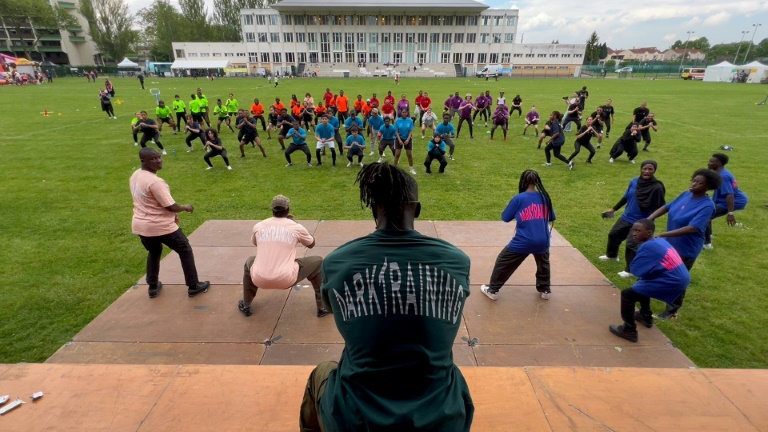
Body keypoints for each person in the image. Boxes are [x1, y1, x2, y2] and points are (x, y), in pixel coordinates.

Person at [300, 163, 474, 432]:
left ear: (373, 210)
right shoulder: (457, 261)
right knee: (451, 372)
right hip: (442, 417)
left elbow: (338, 311)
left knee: (321, 372)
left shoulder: (337, 262)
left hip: (355, 418)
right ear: (416, 209)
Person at [129, 148, 210, 298]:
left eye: (159, 157)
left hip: (141, 225)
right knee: (185, 250)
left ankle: (153, 287)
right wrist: (186, 207)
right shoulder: (155, 182)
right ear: (143, 161)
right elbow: (170, 206)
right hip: (160, 225)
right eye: (153, 159)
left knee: (154, 251)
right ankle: (193, 285)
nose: (159, 161)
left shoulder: (136, 175)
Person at [240, 195, 329, 318]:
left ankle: (246, 305)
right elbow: (311, 244)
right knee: (318, 261)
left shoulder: (259, 226)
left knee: (249, 261)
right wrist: (293, 224)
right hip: (285, 279)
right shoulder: (295, 227)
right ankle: (322, 307)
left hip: (259, 278)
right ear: (287, 210)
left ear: (272, 210)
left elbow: (256, 243)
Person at [648, 169, 720, 319]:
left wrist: (661, 234)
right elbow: (667, 207)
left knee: (677, 278)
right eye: (694, 181)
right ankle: (650, 294)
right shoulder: (686, 195)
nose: (694, 184)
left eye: (700, 183)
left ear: (708, 187)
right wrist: (650, 218)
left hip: (686, 248)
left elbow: (692, 228)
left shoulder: (707, 206)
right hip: (671, 244)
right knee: (659, 270)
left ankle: (672, 310)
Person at [608, 219, 690, 343]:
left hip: (673, 280)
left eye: (638, 231)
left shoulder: (647, 246)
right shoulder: (659, 241)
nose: (634, 234)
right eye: (633, 231)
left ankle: (629, 330)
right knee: (642, 284)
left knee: (627, 294)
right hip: (681, 276)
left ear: (649, 232)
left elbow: (635, 269)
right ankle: (645, 316)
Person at [481, 170, 556, 301]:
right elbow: (552, 217)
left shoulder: (519, 199)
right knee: (543, 264)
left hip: (524, 241)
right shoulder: (545, 197)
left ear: (523, 181)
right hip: (543, 240)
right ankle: (545, 290)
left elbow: (505, 218)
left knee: (503, 261)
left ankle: (492, 290)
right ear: (538, 182)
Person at [599, 161, 666, 277]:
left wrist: (648, 221)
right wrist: (614, 209)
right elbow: (626, 197)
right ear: (641, 169)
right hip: (627, 217)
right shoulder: (634, 181)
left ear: (654, 170)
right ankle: (612, 256)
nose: (647, 171)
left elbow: (661, 207)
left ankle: (630, 271)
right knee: (613, 234)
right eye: (644, 168)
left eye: (650, 169)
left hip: (641, 222)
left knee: (632, 245)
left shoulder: (657, 187)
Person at [704, 153, 748, 249]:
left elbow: (730, 195)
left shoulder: (723, 176)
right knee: (706, 209)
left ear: (719, 164)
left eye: (712, 162)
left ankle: (707, 244)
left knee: (704, 213)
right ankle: (709, 235)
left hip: (734, 200)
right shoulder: (720, 173)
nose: (708, 163)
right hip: (723, 199)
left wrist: (730, 213)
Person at [394, 109, 417, 174]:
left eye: (405, 112)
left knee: (409, 154)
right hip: (399, 138)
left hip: (408, 138)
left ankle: (411, 168)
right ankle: (394, 168)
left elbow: (410, 131)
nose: (404, 113)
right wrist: (399, 140)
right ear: (401, 113)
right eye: (403, 112)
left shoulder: (410, 121)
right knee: (397, 154)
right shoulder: (397, 120)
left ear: (407, 113)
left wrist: (407, 139)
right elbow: (396, 131)